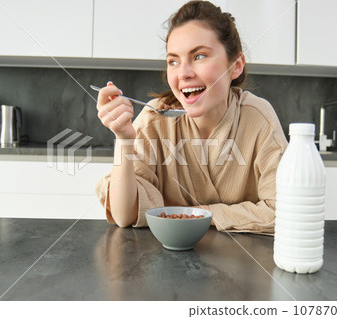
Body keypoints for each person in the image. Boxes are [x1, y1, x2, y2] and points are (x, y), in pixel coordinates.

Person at [94, 0, 287, 235]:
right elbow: (124, 215)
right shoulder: (156, 118)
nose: (183, 73)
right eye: (173, 61)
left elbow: (285, 211)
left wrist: (198, 213)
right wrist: (123, 138)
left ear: (235, 66)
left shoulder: (258, 118)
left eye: (199, 56)